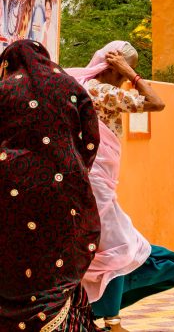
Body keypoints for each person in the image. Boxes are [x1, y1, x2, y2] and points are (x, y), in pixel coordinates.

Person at [67, 42, 174, 332]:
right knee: (119, 248)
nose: (126, 78)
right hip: (96, 185)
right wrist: (133, 75)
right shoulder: (101, 91)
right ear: (112, 66)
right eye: (124, 71)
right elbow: (156, 103)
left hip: (92, 183)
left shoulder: (83, 87)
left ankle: (91, 318)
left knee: (107, 253)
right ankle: (111, 322)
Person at [0, 39, 102, 331]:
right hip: (64, 191)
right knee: (57, 263)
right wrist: (72, 171)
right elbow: (91, 140)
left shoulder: (4, 90)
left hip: (10, 191)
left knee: (14, 261)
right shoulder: (71, 88)